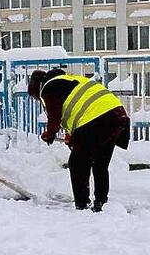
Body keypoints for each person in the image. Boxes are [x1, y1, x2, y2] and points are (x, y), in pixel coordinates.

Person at [28, 68, 129, 212]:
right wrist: (73, 137)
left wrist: (50, 134)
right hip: (117, 115)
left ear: (37, 89)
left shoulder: (49, 87)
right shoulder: (71, 81)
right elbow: (79, 109)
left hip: (96, 119)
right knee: (100, 164)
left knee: (77, 164)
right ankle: (101, 202)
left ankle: (82, 204)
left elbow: (54, 115)